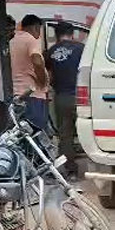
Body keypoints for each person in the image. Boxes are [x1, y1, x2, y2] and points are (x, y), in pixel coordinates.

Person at [46, 21, 84, 176]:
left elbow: (49, 76)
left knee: (65, 134)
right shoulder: (82, 49)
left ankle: (70, 169)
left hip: (61, 97)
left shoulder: (50, 52)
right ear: (72, 34)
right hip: (81, 97)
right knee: (86, 131)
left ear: (56, 36)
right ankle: (96, 164)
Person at [11, 14, 48, 129]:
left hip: (16, 95)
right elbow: (37, 61)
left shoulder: (12, 40)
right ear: (36, 27)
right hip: (32, 94)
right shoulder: (31, 40)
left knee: (21, 134)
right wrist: (42, 81)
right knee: (35, 133)